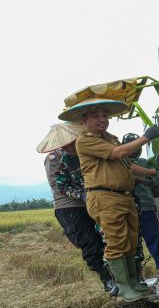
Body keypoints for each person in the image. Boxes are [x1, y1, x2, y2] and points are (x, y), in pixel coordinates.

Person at [60, 97, 159, 302]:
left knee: (131, 241)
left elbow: (128, 164)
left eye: (104, 115)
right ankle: (124, 288)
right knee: (116, 242)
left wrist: (152, 172)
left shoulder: (109, 138)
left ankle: (133, 283)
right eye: (95, 116)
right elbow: (118, 153)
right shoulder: (86, 140)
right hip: (104, 197)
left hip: (123, 196)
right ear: (84, 121)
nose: (102, 119)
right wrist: (145, 138)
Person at [38, 122, 115, 294]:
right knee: (89, 242)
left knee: (103, 239)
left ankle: (115, 275)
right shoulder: (55, 158)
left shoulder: (81, 150)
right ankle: (107, 279)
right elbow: (59, 185)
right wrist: (84, 195)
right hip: (70, 206)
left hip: (90, 201)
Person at [122, 133, 159, 281]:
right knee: (135, 243)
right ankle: (138, 276)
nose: (137, 148)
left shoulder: (143, 162)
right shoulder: (121, 164)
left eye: (139, 145)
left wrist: (158, 190)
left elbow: (155, 184)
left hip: (146, 207)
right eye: (134, 144)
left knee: (152, 238)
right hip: (129, 208)